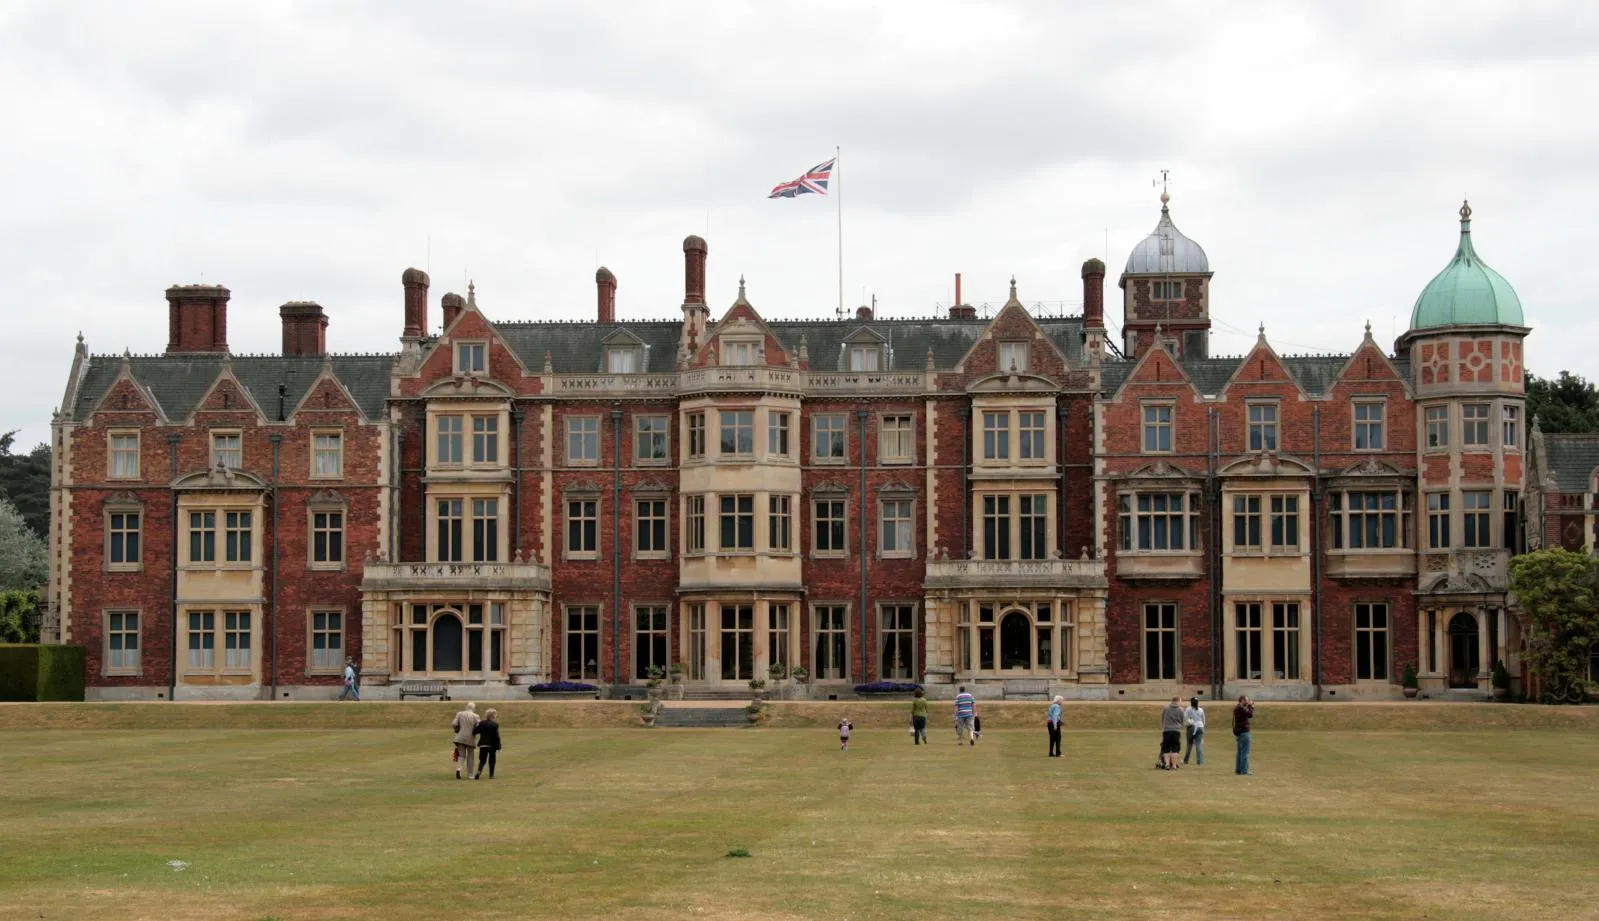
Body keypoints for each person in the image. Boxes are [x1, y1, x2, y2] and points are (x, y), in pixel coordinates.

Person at [452, 701, 479, 780]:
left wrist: (457, 729)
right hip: (470, 738)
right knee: (470, 756)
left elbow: (454, 723)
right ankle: (470, 775)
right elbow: (478, 726)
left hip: (460, 737)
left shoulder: (460, 714)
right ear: (473, 708)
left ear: (466, 707)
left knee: (461, 755)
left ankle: (459, 769)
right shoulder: (476, 716)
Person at [473, 708, 502, 780]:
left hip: (483, 744)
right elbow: (497, 736)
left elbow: (474, 732)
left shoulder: (482, 723)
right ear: (492, 715)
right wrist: (499, 747)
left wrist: (476, 726)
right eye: (495, 714)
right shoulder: (495, 724)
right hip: (492, 745)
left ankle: (479, 771)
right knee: (492, 760)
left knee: (482, 760)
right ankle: (491, 775)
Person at [1160, 696, 1184, 770]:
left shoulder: (1165, 708)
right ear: (1177, 701)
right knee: (1175, 749)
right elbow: (1182, 720)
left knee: (1166, 748)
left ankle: (1167, 764)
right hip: (1176, 731)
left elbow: (1162, 718)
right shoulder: (1181, 709)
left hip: (1166, 730)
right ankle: (1173, 765)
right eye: (1180, 701)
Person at [1233, 695, 1255, 775]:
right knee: (1245, 752)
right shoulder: (1240, 708)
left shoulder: (1237, 708)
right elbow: (1250, 715)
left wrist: (1248, 706)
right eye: (1246, 700)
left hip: (1239, 732)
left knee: (1240, 752)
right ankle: (1244, 770)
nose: (1247, 702)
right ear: (1242, 700)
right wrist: (1251, 707)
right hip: (1244, 732)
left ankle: (1238, 770)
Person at [1183, 696, 1206, 765]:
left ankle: (1185, 760)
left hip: (1192, 727)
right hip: (1200, 727)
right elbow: (1203, 720)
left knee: (1189, 744)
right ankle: (1200, 761)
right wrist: (1202, 726)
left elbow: (1185, 717)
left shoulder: (1188, 709)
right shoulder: (1201, 710)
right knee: (1198, 744)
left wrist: (1189, 723)